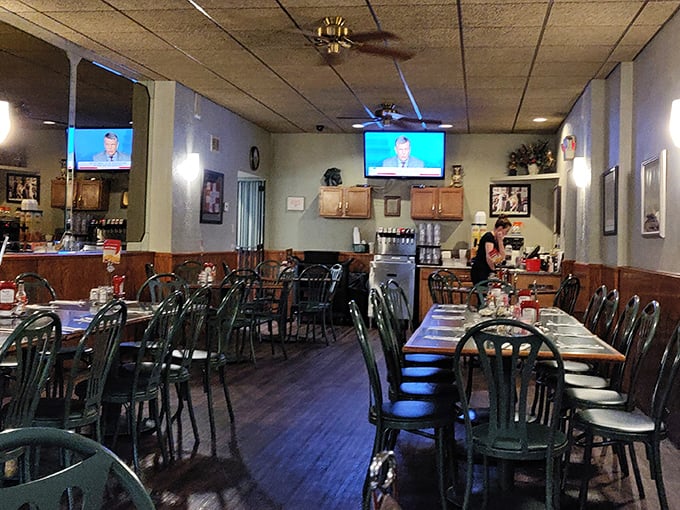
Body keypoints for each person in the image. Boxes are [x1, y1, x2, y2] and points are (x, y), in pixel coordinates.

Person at [471, 215, 512, 285]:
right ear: (500, 228)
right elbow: (489, 257)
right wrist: (493, 271)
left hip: (487, 271)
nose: (506, 233)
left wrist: (500, 241)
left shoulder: (496, 239)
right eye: (506, 231)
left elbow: (501, 258)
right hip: (481, 271)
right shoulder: (489, 237)